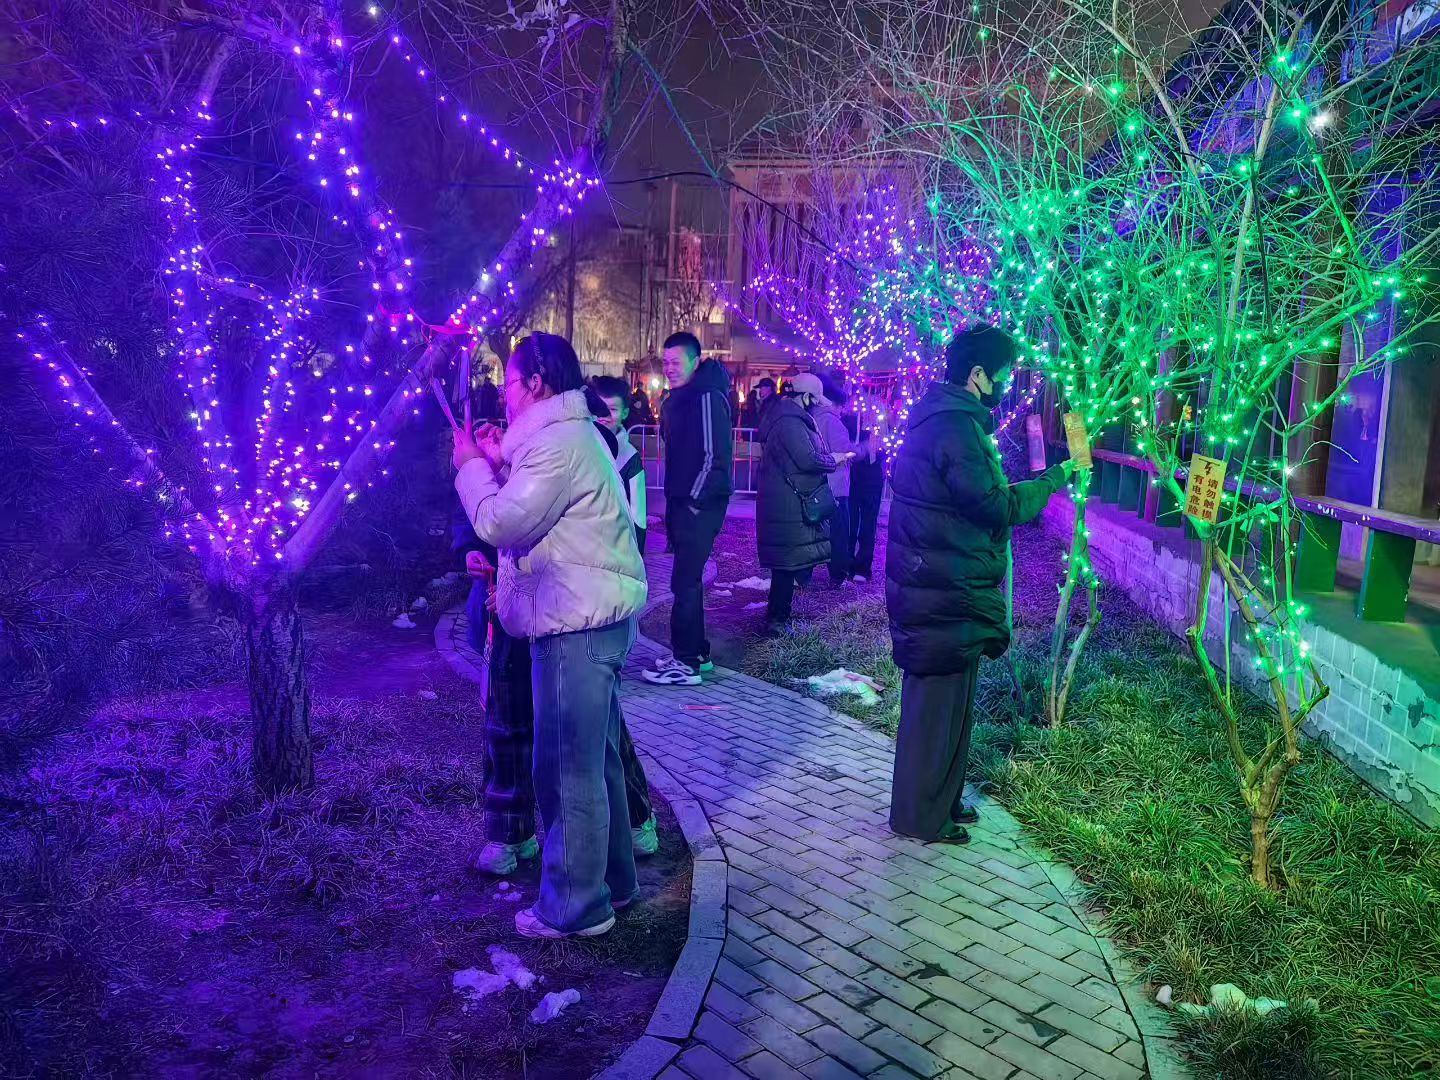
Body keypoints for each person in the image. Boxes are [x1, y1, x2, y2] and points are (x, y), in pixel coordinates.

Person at [454, 332, 648, 938]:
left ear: (535, 383)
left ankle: (573, 907)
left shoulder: (559, 443)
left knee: (565, 768)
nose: (504, 393)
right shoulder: (569, 436)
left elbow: (500, 521)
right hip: (592, 619)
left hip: (573, 624)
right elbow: (533, 501)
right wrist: (499, 463)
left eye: (510, 381)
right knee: (597, 762)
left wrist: (470, 469)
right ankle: (612, 882)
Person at [886, 326, 1077, 845]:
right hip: (942, 588)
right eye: (1003, 375)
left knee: (951, 706)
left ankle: (940, 802)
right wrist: (1053, 480)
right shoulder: (955, 426)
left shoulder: (947, 418)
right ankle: (920, 817)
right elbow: (994, 504)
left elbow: (974, 495)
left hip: (942, 582)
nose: (1007, 384)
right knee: (936, 708)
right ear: (977, 375)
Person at [641, 331, 734, 686]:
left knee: (684, 582)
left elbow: (715, 457)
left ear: (696, 361)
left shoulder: (707, 397)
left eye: (676, 362)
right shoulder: (678, 398)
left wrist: (694, 501)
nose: (670, 368)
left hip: (700, 505)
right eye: (665, 362)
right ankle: (697, 652)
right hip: (683, 503)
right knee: (688, 581)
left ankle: (686, 661)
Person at [755, 373, 849, 635]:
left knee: (787, 565)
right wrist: (833, 459)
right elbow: (807, 459)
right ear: (805, 396)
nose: (816, 405)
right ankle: (777, 621)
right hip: (787, 503)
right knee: (786, 565)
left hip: (785, 500)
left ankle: (778, 618)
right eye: (814, 400)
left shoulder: (785, 416)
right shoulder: (790, 422)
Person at [810, 374, 858, 588]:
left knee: (815, 532)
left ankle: (804, 574)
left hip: (816, 484)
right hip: (835, 485)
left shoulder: (811, 419)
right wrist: (860, 450)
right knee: (839, 533)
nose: (843, 411)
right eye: (841, 407)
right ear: (834, 404)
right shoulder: (832, 422)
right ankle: (838, 575)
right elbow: (844, 451)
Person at [591, 375, 648, 554]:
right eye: (600, 407)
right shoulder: (577, 447)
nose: (605, 415)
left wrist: (637, 556)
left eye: (613, 409)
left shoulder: (630, 458)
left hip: (615, 550)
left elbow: (638, 515)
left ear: (625, 413)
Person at [846, 393, 888, 583]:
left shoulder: (881, 428)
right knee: (852, 523)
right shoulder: (851, 421)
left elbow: (883, 451)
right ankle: (849, 564)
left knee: (867, 524)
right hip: (855, 477)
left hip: (871, 479)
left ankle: (862, 566)